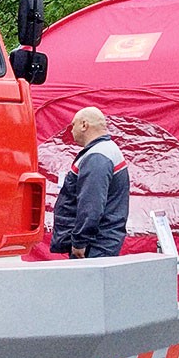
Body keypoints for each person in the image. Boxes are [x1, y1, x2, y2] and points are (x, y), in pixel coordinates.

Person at [50, 107, 130, 258]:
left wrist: (79, 242)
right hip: (102, 241)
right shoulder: (107, 150)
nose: (71, 130)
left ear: (84, 125)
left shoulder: (97, 156)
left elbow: (91, 203)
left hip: (94, 246)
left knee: (87, 282)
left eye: (73, 125)